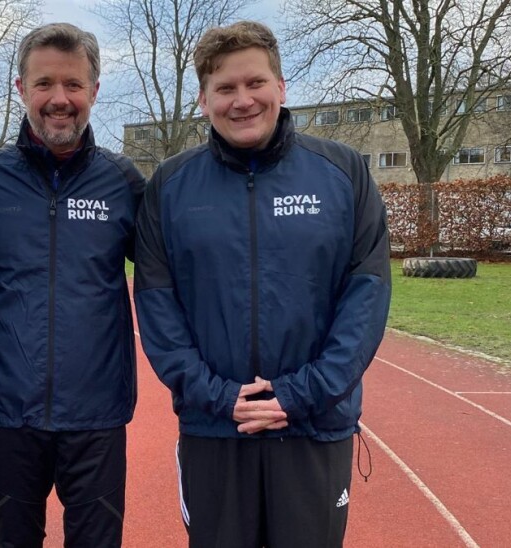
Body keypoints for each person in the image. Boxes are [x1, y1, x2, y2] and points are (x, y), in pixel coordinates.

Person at [134, 21, 392, 548]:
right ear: (203, 100)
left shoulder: (342, 173)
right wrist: (218, 396)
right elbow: (158, 306)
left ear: (281, 87)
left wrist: (298, 396)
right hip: (214, 428)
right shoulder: (170, 186)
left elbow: (365, 298)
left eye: (255, 83)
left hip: (313, 427)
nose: (242, 100)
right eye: (225, 89)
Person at [0, 22, 145, 548]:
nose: (59, 99)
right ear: (21, 89)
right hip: (5, 412)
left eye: (73, 85)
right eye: (44, 84)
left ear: (95, 91)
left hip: (97, 413)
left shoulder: (123, 182)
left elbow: (173, 275)